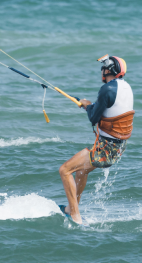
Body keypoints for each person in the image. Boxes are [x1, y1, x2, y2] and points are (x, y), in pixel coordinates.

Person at [58, 55, 135, 224]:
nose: (102, 71)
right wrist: (89, 105)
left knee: (64, 170)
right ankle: (72, 208)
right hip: (118, 148)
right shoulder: (127, 87)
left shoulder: (107, 89)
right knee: (81, 170)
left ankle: (75, 217)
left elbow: (93, 118)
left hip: (106, 150)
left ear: (108, 70)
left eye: (103, 68)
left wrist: (86, 105)